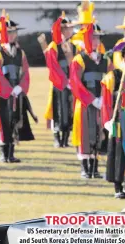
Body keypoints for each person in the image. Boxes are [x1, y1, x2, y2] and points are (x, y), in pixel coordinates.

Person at [70, 23, 113, 179]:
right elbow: (75, 82)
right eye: (93, 37)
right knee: (85, 133)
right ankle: (85, 168)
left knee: (98, 133)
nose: (96, 41)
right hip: (85, 103)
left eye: (98, 38)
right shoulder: (79, 59)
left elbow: (110, 79)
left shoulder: (105, 60)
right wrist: (90, 99)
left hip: (101, 101)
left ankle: (95, 168)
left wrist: (104, 97)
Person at [0, 12, 30, 163]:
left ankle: (11, 152)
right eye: (9, 32)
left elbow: (25, 72)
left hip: (16, 91)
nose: (12, 35)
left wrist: (21, 87)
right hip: (2, 93)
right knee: (3, 120)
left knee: (14, 119)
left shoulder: (20, 53)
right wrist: (7, 89)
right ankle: (3, 152)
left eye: (14, 32)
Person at [101, 41, 125, 199]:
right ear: (123, 57)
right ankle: (117, 186)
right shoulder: (114, 76)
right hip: (120, 120)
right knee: (119, 152)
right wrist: (108, 120)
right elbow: (107, 100)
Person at [43, 12, 76, 148]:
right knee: (57, 109)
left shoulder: (73, 46)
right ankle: (57, 136)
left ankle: (66, 137)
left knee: (69, 110)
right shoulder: (53, 46)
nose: (70, 31)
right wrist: (64, 81)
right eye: (67, 29)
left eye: (70, 29)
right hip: (59, 84)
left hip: (72, 84)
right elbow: (53, 67)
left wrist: (73, 81)